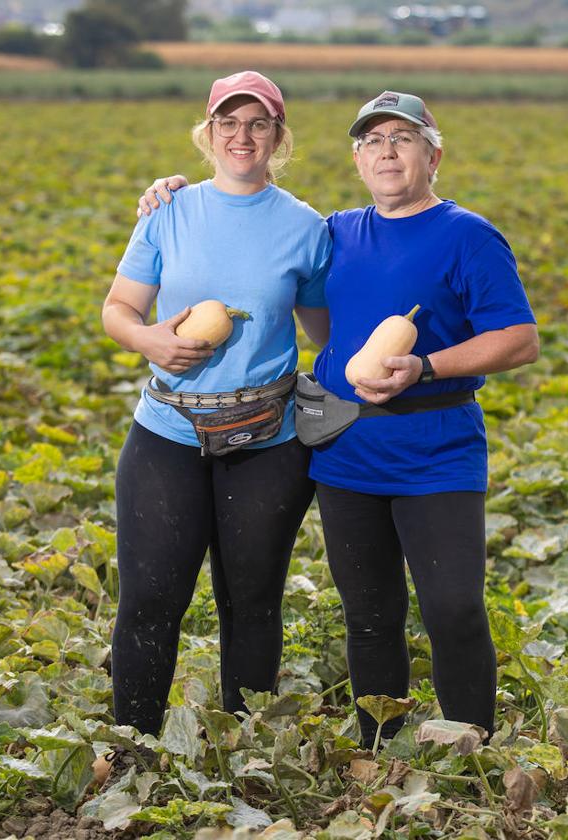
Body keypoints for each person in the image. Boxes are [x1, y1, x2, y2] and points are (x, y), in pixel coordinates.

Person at [138, 90, 538, 746]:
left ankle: (471, 744)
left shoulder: (468, 235)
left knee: (453, 608)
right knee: (370, 615)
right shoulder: (338, 233)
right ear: (356, 159)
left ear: (433, 155)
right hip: (345, 447)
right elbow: (250, 231)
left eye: (402, 140)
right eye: (373, 141)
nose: (387, 152)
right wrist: (173, 188)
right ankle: (382, 747)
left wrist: (426, 367)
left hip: (437, 447)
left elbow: (520, 338)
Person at [101, 70, 332, 739]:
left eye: (258, 124)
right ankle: (131, 746)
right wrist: (149, 340)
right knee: (149, 601)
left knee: (252, 602)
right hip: (167, 434)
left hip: (268, 442)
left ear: (277, 137)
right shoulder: (168, 211)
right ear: (208, 133)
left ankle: (247, 750)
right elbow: (119, 309)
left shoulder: (305, 228)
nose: (242, 136)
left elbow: (325, 334)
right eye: (228, 123)